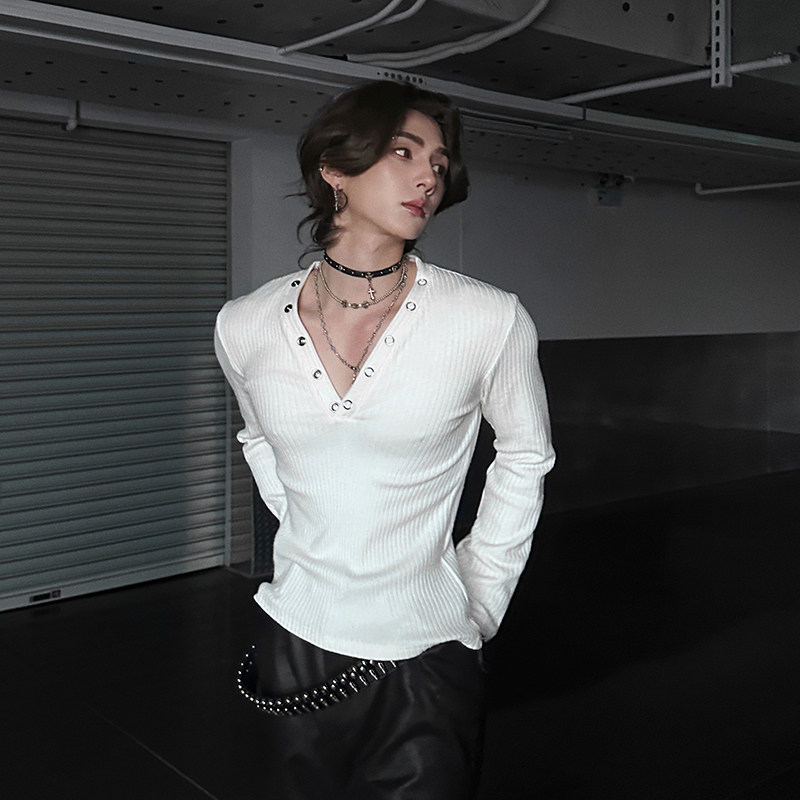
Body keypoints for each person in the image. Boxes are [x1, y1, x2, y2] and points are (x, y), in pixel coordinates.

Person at [214, 79, 555, 799]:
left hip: (426, 657)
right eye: (404, 151)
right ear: (334, 168)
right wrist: (316, 527)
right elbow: (257, 438)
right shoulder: (242, 325)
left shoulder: (488, 319)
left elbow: (526, 455)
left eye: (439, 162)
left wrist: (482, 594)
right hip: (293, 642)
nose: (428, 175)